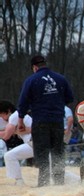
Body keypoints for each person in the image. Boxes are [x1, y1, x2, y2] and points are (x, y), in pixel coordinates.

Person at [17, 55, 74, 186]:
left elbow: (23, 103)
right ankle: (59, 183)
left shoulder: (31, 80)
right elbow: (70, 98)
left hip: (40, 121)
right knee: (57, 153)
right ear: (45, 64)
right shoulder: (61, 79)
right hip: (58, 122)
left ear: (34, 67)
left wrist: (20, 122)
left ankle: (44, 184)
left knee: (42, 155)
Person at [0, 101, 33, 185]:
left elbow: (6, 135)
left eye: (1, 114)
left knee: (9, 155)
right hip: (36, 142)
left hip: (34, 142)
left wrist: (16, 132)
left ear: (8, 111)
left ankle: (19, 181)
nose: (1, 117)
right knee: (52, 164)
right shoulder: (17, 115)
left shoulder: (14, 116)